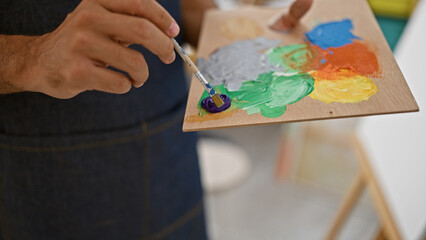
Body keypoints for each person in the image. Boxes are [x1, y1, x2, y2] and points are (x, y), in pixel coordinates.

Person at [0, 0, 312, 239]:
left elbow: (186, 8)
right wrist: (29, 57)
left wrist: (247, 35)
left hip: (169, 159)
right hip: (34, 183)